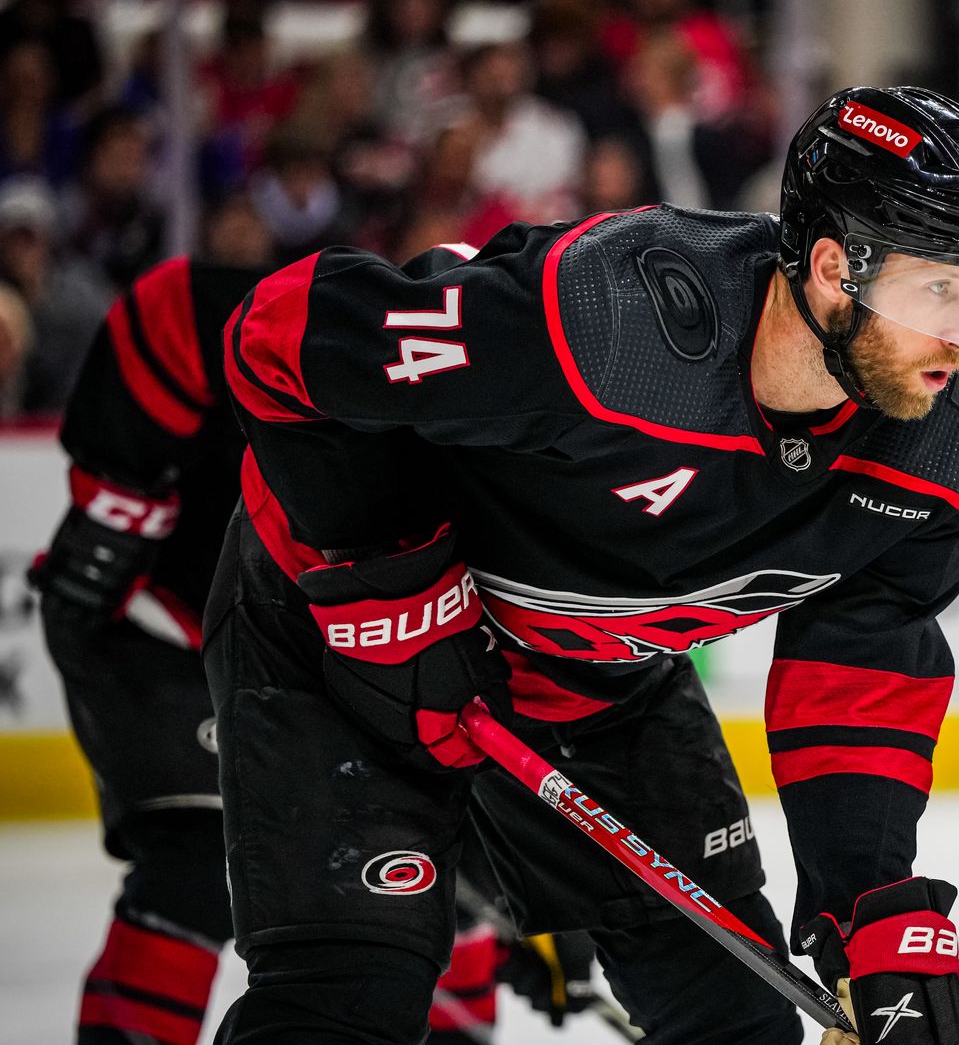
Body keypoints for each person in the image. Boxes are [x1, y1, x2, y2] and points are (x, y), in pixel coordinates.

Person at [207, 85, 959, 1044]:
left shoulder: (945, 453)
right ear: (834, 269)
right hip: (334, 647)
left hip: (589, 682)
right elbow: (278, 336)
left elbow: (859, 674)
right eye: (939, 291)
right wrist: (390, 582)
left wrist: (874, 905)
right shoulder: (609, 329)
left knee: (738, 1024)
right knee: (344, 1004)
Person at [28, 255, 606, 1044]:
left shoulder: (524, 436)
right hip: (171, 625)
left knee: (432, 867)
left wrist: (531, 911)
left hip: (341, 644)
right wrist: (108, 535)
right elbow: (169, 331)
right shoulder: (240, 317)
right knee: (197, 862)